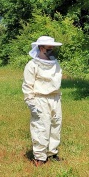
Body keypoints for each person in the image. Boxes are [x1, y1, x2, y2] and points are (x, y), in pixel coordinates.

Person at [23, 36, 63, 166]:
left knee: (55, 125)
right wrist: (31, 102)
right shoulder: (32, 65)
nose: (51, 51)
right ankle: (40, 156)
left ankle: (52, 152)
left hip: (55, 98)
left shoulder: (55, 64)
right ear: (41, 48)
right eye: (49, 49)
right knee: (41, 126)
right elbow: (28, 85)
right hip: (40, 99)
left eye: (53, 49)